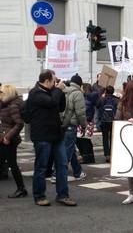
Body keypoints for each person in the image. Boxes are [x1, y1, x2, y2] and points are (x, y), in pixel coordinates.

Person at [28, 70, 76, 206]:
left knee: (62, 165)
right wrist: (58, 90)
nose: (56, 83)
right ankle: (39, 196)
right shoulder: (36, 93)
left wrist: (61, 93)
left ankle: (63, 195)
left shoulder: (52, 92)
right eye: (54, 81)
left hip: (56, 135)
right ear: (47, 81)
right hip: (42, 135)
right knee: (42, 167)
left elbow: (60, 107)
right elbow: (51, 102)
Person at [58, 74, 87, 182]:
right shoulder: (77, 93)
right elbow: (80, 112)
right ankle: (57, 174)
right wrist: (84, 125)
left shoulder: (64, 91)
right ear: (80, 84)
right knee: (67, 151)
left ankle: (78, 172)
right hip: (72, 124)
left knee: (70, 149)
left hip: (63, 124)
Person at [0, 85, 27, 198]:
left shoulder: (12, 106)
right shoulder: (4, 104)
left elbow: (19, 123)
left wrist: (8, 137)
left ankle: (21, 189)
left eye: (1, 92)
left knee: (13, 164)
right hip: (3, 138)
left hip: (9, 140)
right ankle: (21, 188)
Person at [97, 86, 119, 163]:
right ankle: (113, 154)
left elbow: (97, 106)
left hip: (104, 121)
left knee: (105, 138)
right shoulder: (116, 100)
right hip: (113, 121)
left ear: (106, 91)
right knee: (112, 139)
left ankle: (107, 155)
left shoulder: (102, 99)